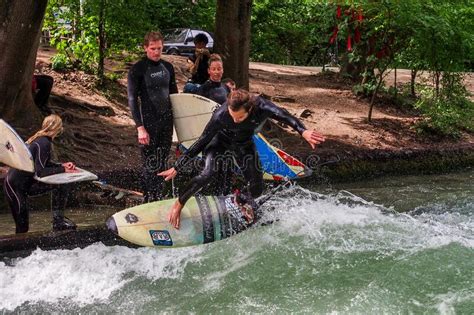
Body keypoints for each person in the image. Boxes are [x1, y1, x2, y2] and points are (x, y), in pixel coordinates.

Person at [159, 89, 326, 229]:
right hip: (219, 143)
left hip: (243, 145)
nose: (234, 120)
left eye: (239, 117)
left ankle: (239, 200)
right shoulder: (221, 115)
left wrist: (303, 131)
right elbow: (202, 141)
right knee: (207, 174)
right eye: (232, 116)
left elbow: (284, 115)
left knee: (257, 187)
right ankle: (178, 204)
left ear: (250, 109)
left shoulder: (262, 107)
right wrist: (177, 167)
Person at [3, 114, 79, 233]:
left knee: (61, 184)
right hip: (15, 187)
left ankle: (58, 222)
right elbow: (41, 172)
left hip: (25, 185)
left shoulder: (41, 140)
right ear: (58, 129)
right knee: (22, 227)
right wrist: (64, 170)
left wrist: (61, 166)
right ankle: (16, 249)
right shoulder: (44, 143)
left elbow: (43, 164)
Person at [127, 31, 178, 203]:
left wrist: (179, 124)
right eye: (153, 48)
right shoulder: (138, 69)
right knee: (149, 162)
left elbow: (175, 96)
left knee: (163, 159)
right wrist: (140, 127)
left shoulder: (168, 67)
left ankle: (159, 196)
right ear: (145, 48)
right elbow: (133, 99)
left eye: (159, 48)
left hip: (166, 121)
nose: (156, 52)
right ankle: (148, 198)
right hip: (148, 123)